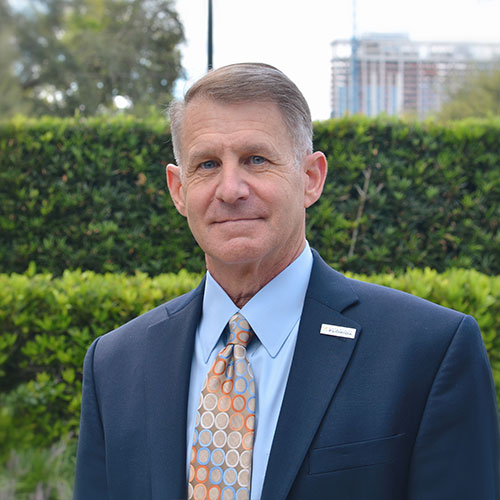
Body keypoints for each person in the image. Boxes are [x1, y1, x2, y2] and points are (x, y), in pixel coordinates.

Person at [74, 63, 499, 500]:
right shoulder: (115, 365)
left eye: (256, 159)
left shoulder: (428, 352)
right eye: (207, 164)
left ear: (311, 178)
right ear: (178, 189)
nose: (230, 189)